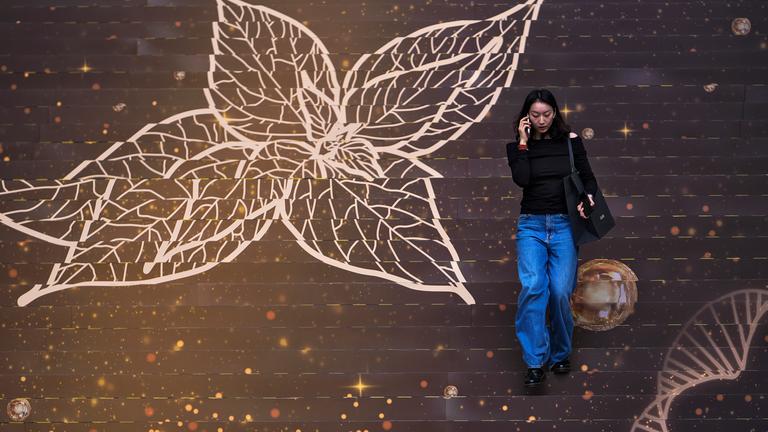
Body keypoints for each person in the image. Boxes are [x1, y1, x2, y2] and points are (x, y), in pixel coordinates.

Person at [506, 88, 599, 387]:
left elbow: (589, 179)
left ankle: (560, 353)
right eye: (535, 115)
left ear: (555, 113)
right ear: (526, 116)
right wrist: (523, 142)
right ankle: (535, 362)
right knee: (534, 287)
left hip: (563, 225)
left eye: (547, 114)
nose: (541, 120)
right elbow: (522, 179)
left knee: (559, 292)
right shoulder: (517, 148)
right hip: (531, 226)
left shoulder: (571, 143)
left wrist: (588, 197)